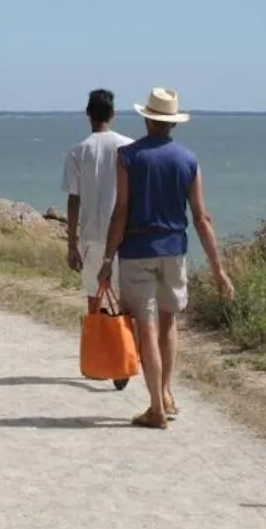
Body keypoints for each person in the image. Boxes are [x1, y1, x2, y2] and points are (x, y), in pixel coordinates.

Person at [98, 88, 234, 429]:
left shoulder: (127, 156)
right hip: (174, 251)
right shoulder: (188, 160)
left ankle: (156, 407)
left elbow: (121, 211)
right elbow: (202, 218)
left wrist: (106, 258)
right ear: (173, 123)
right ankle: (168, 394)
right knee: (169, 323)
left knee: (146, 329)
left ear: (147, 118)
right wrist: (219, 270)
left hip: (136, 252)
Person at [64, 89, 133, 388]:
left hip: (92, 236)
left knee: (94, 298)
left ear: (88, 114)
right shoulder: (128, 147)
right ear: (112, 114)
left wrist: (70, 243)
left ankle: (99, 357)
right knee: (125, 300)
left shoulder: (79, 151)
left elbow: (73, 199)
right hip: (125, 236)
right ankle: (124, 357)